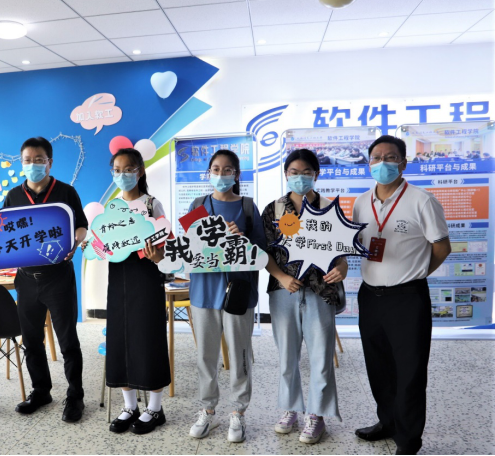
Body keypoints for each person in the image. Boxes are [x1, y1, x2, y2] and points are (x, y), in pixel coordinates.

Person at [352, 136, 451, 456]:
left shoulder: (422, 200)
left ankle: (408, 441)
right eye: (376, 157)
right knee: (378, 367)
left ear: (404, 163)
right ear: (369, 163)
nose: (382, 163)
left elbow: (442, 247)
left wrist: (416, 272)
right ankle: (388, 423)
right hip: (370, 296)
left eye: (390, 157)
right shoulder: (360, 202)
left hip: (407, 298)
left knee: (409, 372)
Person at [82, 149, 171, 435]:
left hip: (147, 280)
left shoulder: (152, 205)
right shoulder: (111, 208)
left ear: (140, 171)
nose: (123, 175)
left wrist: (156, 256)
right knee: (119, 340)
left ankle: (155, 409)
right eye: (117, 170)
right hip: (118, 281)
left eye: (129, 169)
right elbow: (101, 245)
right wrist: (91, 247)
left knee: (148, 339)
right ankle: (129, 406)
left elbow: (166, 250)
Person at [261, 149, 347, 445]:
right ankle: (290, 409)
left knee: (322, 356)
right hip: (284, 291)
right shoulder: (273, 209)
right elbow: (264, 252)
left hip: (321, 291)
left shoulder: (330, 208)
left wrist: (342, 268)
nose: (300, 177)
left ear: (316, 174)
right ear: (286, 175)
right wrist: (282, 277)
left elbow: (341, 252)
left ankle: (317, 415)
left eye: (306, 172)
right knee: (287, 354)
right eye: (294, 172)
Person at [2, 137, 87, 423]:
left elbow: (81, 226)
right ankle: (41, 391)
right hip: (26, 278)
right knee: (31, 340)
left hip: (58, 277)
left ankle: (75, 395)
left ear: (49, 162)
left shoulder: (65, 192)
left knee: (67, 340)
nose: (33, 165)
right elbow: (3, 230)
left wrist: (75, 243)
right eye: (27, 160)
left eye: (39, 160)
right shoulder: (13, 195)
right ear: (21, 163)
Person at [187, 150, 267, 444]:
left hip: (237, 292)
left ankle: (238, 411)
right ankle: (208, 409)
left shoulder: (247, 207)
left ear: (236, 174)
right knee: (205, 355)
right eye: (216, 169)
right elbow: (188, 248)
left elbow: (261, 252)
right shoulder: (198, 205)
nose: (221, 175)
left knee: (239, 353)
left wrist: (241, 239)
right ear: (209, 172)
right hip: (203, 292)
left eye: (228, 169)